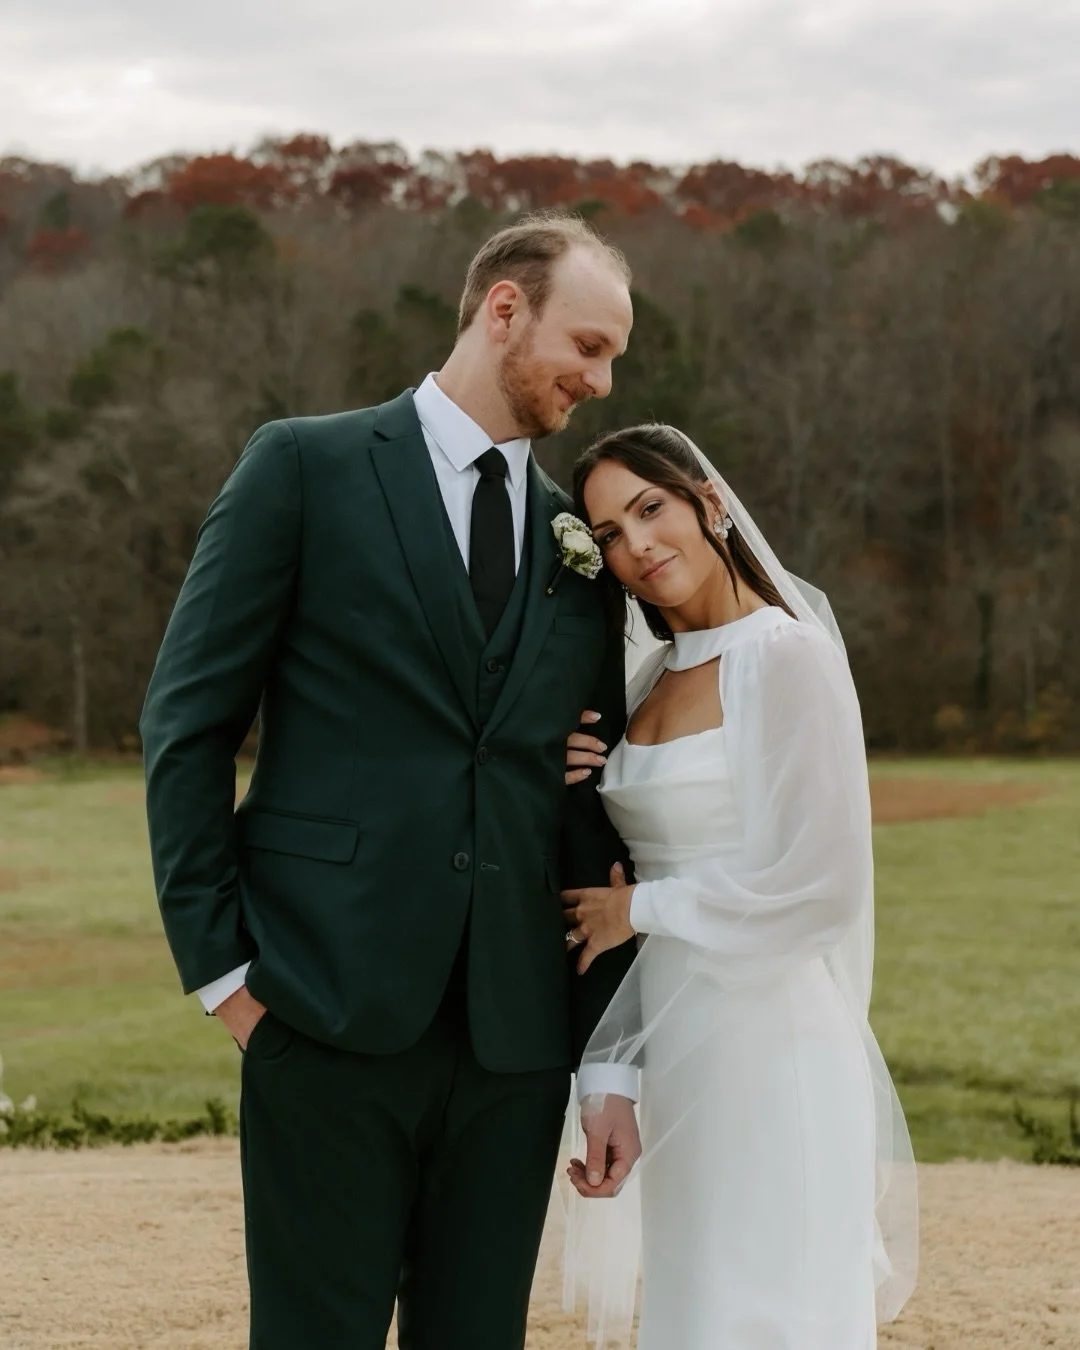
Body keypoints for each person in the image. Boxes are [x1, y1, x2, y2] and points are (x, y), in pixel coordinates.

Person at [139, 213, 641, 1350]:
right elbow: (186, 721)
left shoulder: (579, 540)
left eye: (614, 356)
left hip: (516, 1040)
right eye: (590, 344)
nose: (601, 381)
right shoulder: (304, 467)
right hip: (321, 1010)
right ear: (502, 309)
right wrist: (223, 976)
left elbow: (586, 800)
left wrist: (602, 1051)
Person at [560, 424, 918, 1349]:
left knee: (778, 1311)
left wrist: (640, 907)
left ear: (709, 505)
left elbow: (820, 886)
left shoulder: (783, 656)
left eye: (650, 509)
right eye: (606, 534)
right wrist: (610, 1071)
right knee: (698, 1316)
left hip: (775, 1049)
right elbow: (610, 879)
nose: (634, 546)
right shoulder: (643, 683)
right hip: (680, 1058)